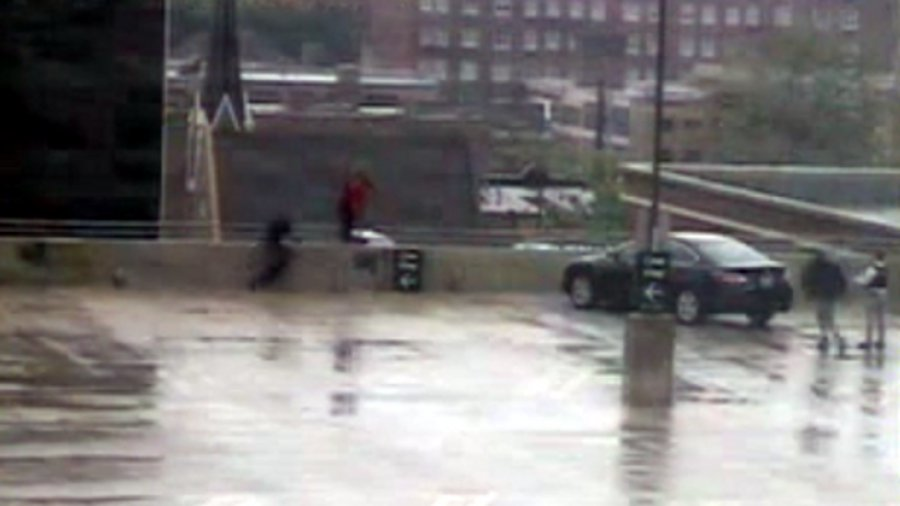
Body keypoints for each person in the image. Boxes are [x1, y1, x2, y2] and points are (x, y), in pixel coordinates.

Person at [801, 249, 848, 354]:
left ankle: (830, 338)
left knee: (823, 318)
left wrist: (809, 293)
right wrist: (840, 292)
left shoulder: (813, 268)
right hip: (830, 295)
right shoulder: (834, 267)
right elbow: (842, 282)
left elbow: (807, 280)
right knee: (829, 318)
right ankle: (832, 338)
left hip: (820, 295)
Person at [855, 250, 888, 351]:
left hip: (872, 295)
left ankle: (868, 341)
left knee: (870, 319)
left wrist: (857, 280)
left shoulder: (872, 269)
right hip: (883, 294)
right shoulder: (886, 269)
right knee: (881, 319)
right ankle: (881, 341)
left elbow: (865, 280)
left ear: (874, 257)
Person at [249, 216, 293, 290]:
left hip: (273, 245)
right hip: (273, 247)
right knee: (274, 268)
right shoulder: (275, 231)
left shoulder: (274, 230)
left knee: (274, 267)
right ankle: (257, 282)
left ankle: (258, 282)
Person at [337, 170, 374, 243]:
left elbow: (358, 203)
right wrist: (357, 211)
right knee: (348, 224)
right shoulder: (358, 189)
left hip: (347, 207)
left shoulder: (358, 188)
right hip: (347, 207)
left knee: (349, 224)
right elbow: (354, 202)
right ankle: (348, 238)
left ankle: (349, 237)